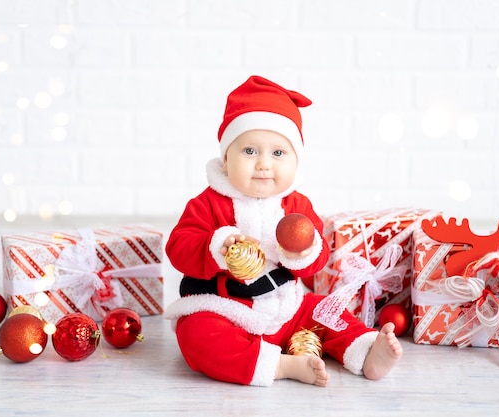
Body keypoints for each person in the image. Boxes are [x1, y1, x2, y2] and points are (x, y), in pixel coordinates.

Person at [163, 75, 402, 387]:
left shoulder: (296, 205)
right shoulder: (208, 203)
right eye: (249, 151)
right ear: (226, 159)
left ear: (295, 160)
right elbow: (178, 247)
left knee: (324, 309)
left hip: (288, 310)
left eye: (278, 153)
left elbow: (319, 259)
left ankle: (365, 350)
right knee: (195, 335)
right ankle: (279, 365)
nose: (263, 164)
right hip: (225, 311)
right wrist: (216, 245)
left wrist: (305, 251)